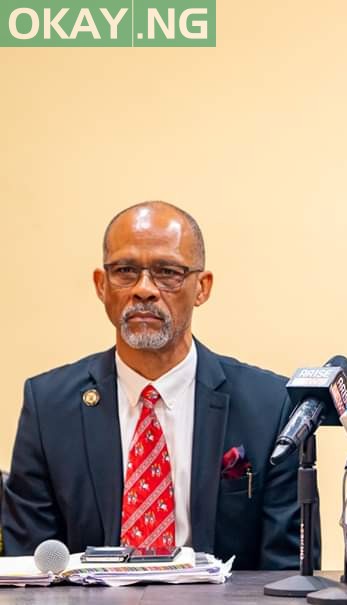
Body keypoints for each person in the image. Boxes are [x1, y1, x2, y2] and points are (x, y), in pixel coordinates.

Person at [2, 201, 310, 570]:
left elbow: (290, 571)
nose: (144, 290)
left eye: (167, 272)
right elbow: (27, 568)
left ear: (202, 288)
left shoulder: (271, 405)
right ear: (102, 285)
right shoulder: (48, 406)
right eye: (126, 271)